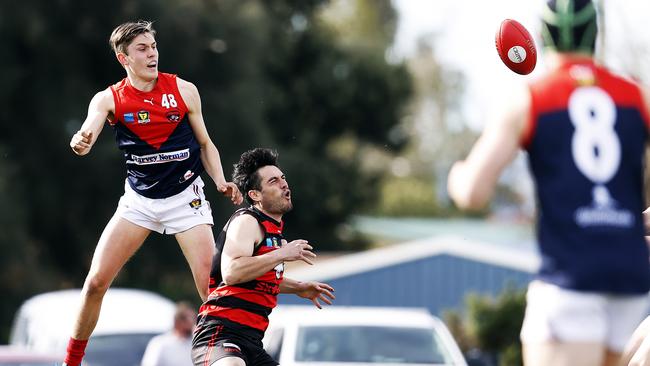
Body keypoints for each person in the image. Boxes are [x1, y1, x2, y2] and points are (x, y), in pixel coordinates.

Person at [447, 1, 650, 366]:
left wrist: (456, 174)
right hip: (628, 281)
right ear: (595, 34)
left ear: (542, 36)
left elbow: (473, 194)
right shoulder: (637, 95)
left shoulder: (532, 97)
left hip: (571, 278)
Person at [64, 20, 243, 366]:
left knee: (212, 291)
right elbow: (88, 132)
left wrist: (220, 180)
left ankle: (223, 357)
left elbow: (205, 144)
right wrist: (80, 141)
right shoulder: (109, 98)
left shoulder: (183, 90)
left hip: (185, 199)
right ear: (123, 58)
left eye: (153, 47)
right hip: (139, 202)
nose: (152, 54)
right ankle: (70, 362)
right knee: (95, 283)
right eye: (142, 49)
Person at [191, 148, 336, 366]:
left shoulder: (274, 232)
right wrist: (282, 254)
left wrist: (298, 288)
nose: (284, 184)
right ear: (255, 195)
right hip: (220, 334)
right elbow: (232, 272)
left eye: (283, 178)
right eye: (274, 181)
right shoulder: (247, 221)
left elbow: (258, 279)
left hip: (252, 341)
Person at [141, 301, 196, 366]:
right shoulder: (160, 343)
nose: (192, 322)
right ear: (177, 321)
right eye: (188, 319)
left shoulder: (197, 343)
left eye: (194, 318)